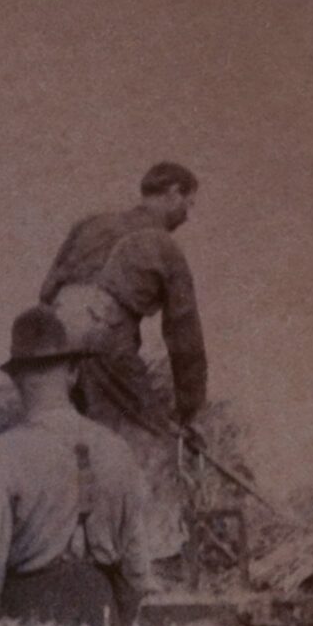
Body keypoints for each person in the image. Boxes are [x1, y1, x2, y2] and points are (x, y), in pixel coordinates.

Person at [0, 306, 154, 626]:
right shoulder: (119, 452)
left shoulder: (3, 456)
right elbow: (138, 578)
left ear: (16, 379)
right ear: (73, 373)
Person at [36, 162, 206, 559]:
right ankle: (152, 555)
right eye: (188, 203)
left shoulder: (88, 225)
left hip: (52, 342)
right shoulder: (166, 248)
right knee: (153, 440)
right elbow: (184, 339)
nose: (187, 215)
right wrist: (187, 410)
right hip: (103, 339)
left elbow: (46, 291)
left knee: (73, 443)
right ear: (172, 194)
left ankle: (65, 546)